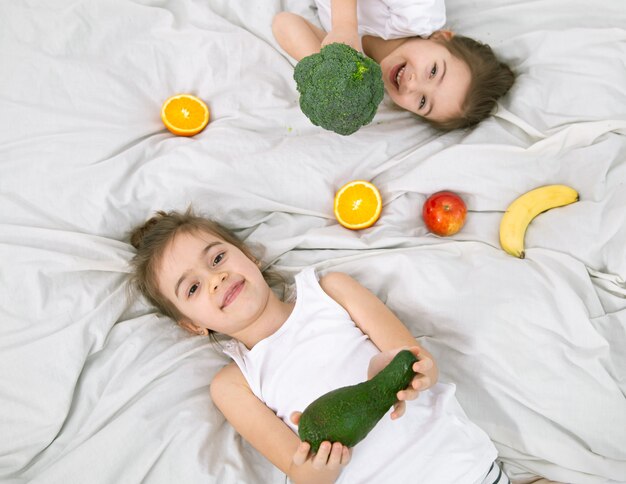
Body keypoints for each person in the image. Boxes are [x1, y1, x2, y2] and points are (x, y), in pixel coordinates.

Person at [129, 209, 509, 484]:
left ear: (251, 256)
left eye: (217, 257)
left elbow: (416, 362)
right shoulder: (233, 384)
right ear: (193, 325)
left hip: (460, 466)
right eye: (192, 288)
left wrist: (408, 371)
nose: (216, 278)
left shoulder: (331, 291)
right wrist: (318, 469)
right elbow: (301, 472)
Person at [272, 0, 515, 130]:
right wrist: (344, 25)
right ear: (441, 37)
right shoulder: (419, 12)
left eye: (422, 102)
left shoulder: (362, 73)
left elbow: (284, 23)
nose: (413, 85)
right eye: (433, 71)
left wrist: (328, 73)